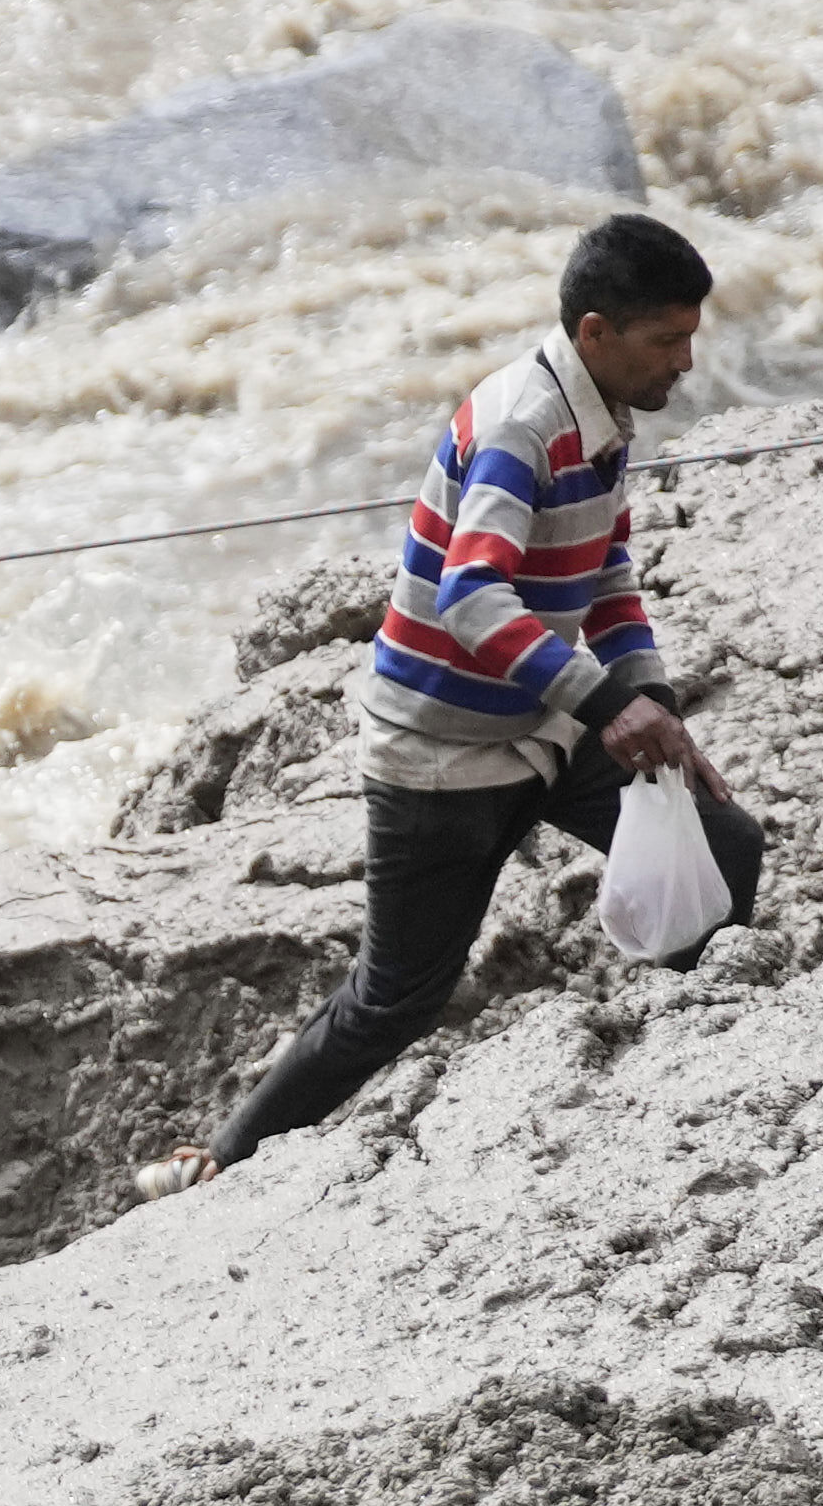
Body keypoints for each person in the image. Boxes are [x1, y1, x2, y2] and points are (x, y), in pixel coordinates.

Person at [202, 213, 774, 1169]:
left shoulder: (605, 416)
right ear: (597, 332)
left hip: (543, 719)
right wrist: (605, 704)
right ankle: (221, 1162)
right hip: (445, 751)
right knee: (395, 1001)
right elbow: (471, 593)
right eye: (667, 340)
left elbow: (606, 571)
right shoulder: (524, 424)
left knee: (725, 840)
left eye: (690, 336)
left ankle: (690, 1047)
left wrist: (650, 698)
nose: (685, 360)